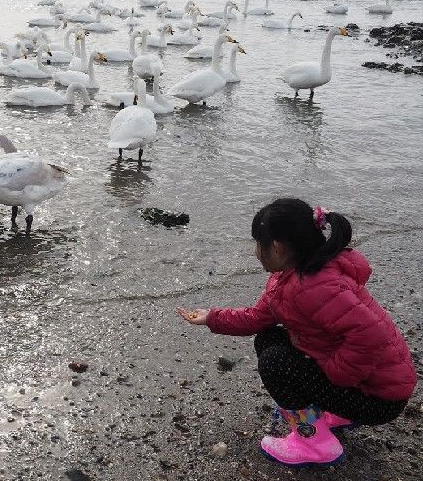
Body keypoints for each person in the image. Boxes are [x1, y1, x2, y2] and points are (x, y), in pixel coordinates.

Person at [177, 198, 416, 467]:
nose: (256, 252)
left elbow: (371, 336)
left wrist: (337, 375)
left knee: (275, 363)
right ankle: (332, 415)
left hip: (379, 398)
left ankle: (314, 443)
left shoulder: (314, 286)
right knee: (269, 339)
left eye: (258, 244)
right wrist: (212, 317)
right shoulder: (295, 273)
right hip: (369, 383)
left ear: (277, 246)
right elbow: (258, 318)